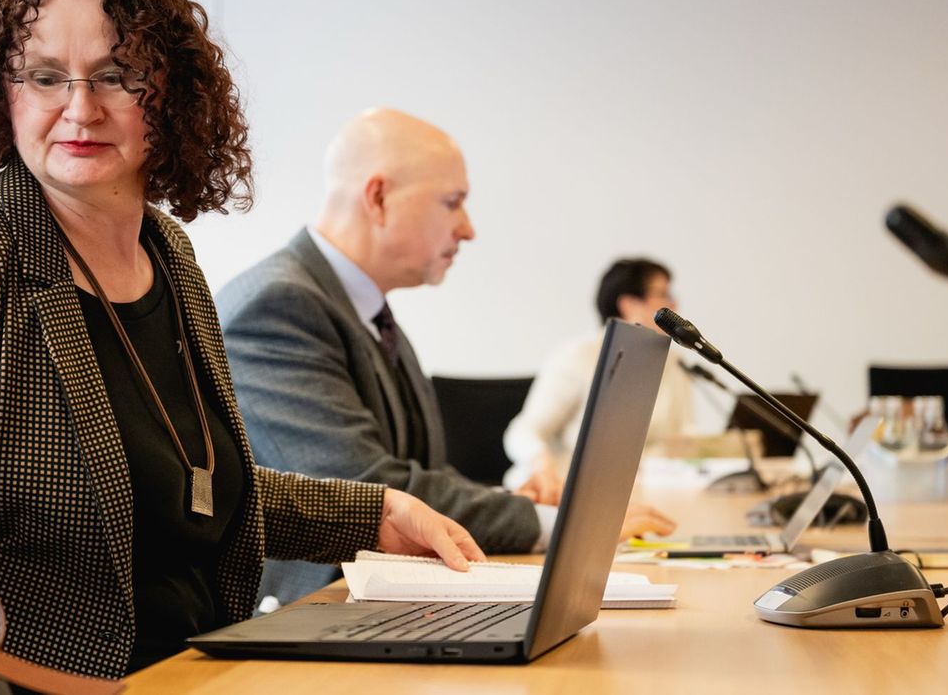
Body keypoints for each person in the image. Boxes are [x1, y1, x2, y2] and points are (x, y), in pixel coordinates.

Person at [0, 0, 483, 680]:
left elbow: (186, 486)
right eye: (45, 77)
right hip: (22, 679)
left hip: (193, 664)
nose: (80, 108)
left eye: (116, 76)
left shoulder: (166, 252)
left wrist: (375, 513)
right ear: (3, 95)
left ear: (169, 96)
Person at [215, 109, 674, 608]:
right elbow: (370, 491)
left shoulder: (366, 309)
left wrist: (510, 502)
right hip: (320, 608)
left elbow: (415, 474)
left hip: (385, 600)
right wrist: (555, 523)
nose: (468, 229)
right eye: (452, 203)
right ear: (378, 198)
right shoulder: (279, 305)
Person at [503, 257, 702, 493]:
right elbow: (523, 431)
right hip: (570, 488)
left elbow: (683, 436)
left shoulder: (673, 361)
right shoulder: (579, 355)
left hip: (645, 489)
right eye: (663, 295)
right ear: (628, 304)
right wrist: (540, 462)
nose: (674, 304)